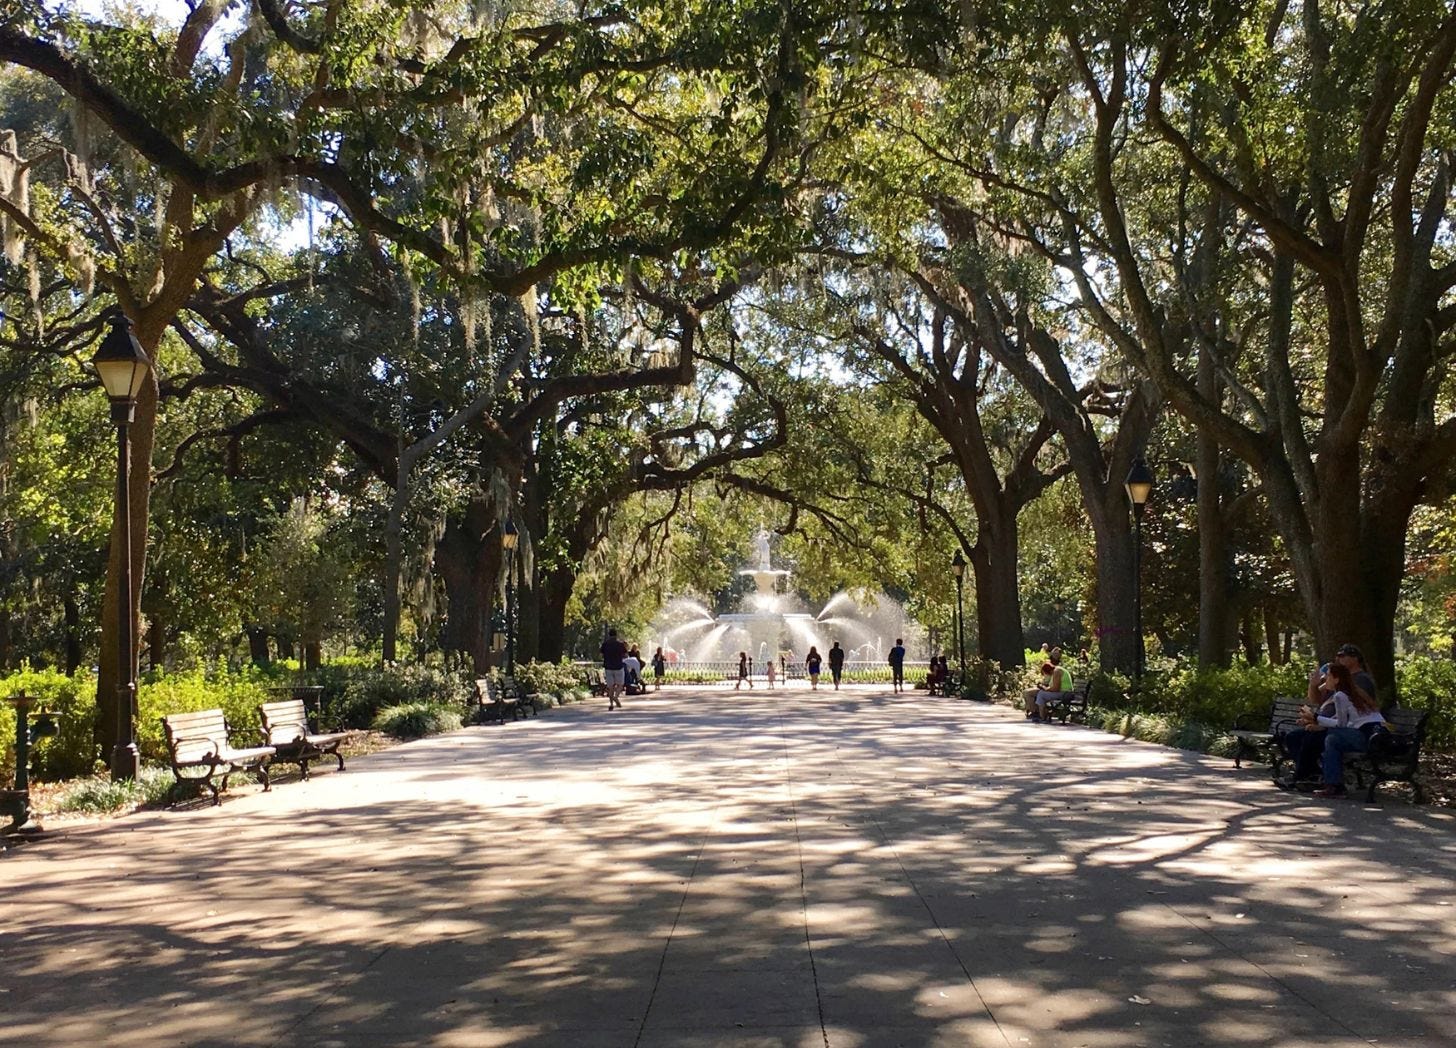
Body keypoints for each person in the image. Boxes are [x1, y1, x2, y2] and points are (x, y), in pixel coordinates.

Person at [1302, 659, 1386, 799]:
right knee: (1332, 738)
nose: (1325, 679)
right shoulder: (1349, 692)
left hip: (1369, 735)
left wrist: (1316, 718)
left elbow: (1340, 724)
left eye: (1328, 676)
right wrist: (1316, 721)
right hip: (1376, 734)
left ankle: (1333, 785)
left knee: (1332, 737)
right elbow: (1341, 720)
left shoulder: (1340, 695)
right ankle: (1333, 784)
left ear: (1336, 679)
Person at [1027, 658, 1072, 722]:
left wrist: (1046, 689)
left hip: (1065, 693)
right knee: (1040, 693)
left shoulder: (1057, 672)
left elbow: (1056, 688)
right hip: (1062, 692)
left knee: (1041, 694)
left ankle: (1042, 717)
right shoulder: (1055, 671)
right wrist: (1044, 688)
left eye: (1045, 673)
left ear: (1048, 671)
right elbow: (1053, 687)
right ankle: (1041, 714)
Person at [601, 628, 628, 710]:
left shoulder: (605, 644)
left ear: (609, 635)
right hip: (618, 666)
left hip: (608, 667)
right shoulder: (620, 644)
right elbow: (625, 655)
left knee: (611, 687)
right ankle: (616, 697)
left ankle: (611, 704)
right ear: (616, 635)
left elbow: (601, 654)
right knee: (620, 684)